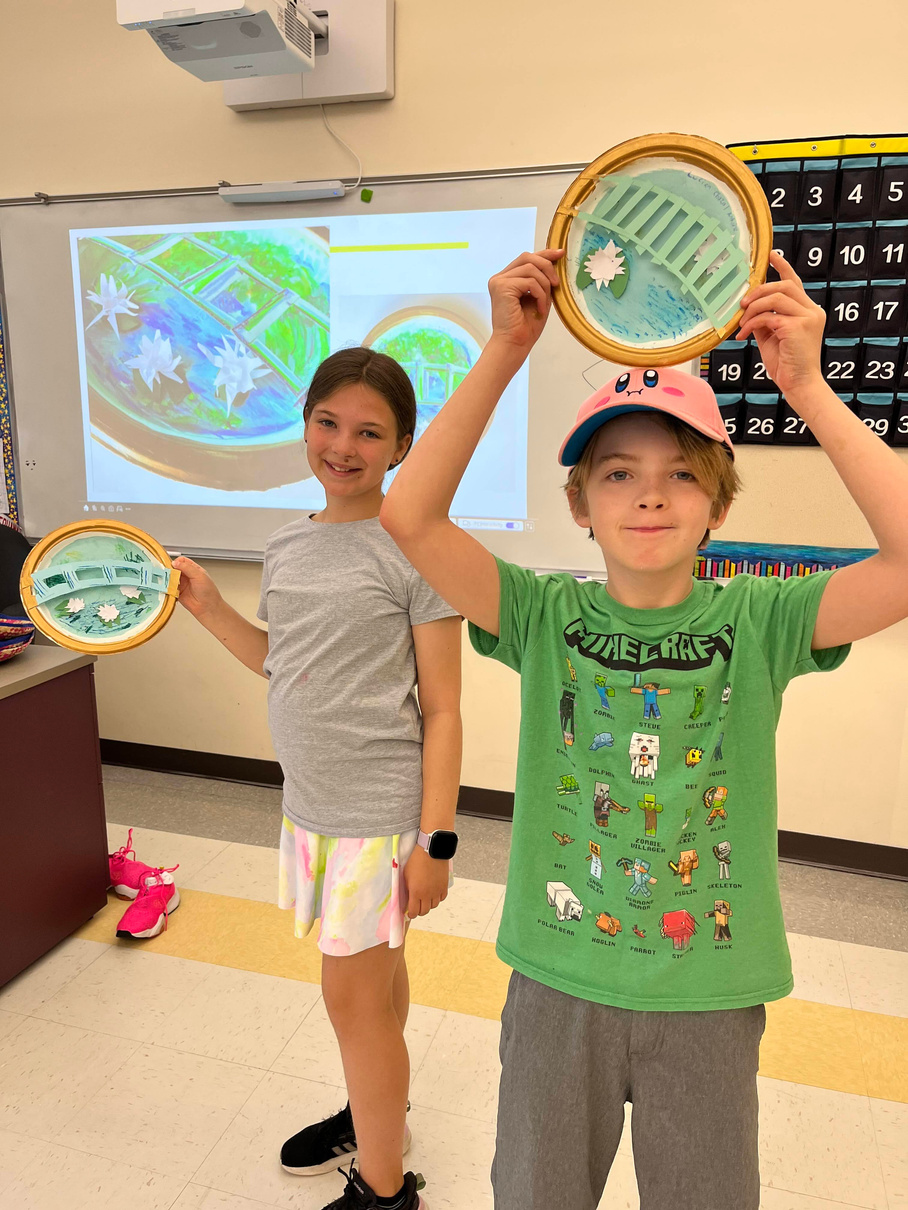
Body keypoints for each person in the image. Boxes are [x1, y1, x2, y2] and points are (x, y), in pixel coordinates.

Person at [380, 248, 908, 1209]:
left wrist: (810, 387)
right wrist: (504, 350)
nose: (651, 495)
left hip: (708, 991)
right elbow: (409, 514)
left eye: (679, 473)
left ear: (717, 501)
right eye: (618, 473)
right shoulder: (542, 617)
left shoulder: (759, 622)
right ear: (579, 504)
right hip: (557, 981)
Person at [176, 347, 463, 1210]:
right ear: (304, 424)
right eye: (328, 423)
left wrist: (436, 842)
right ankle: (382, 1110)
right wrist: (208, 608)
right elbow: (283, 663)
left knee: (351, 1004)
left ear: (401, 446)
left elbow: (443, 709)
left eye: (370, 432)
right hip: (311, 809)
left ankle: (384, 1185)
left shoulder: (413, 548)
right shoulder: (287, 542)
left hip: (377, 818)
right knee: (375, 990)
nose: (345, 445)